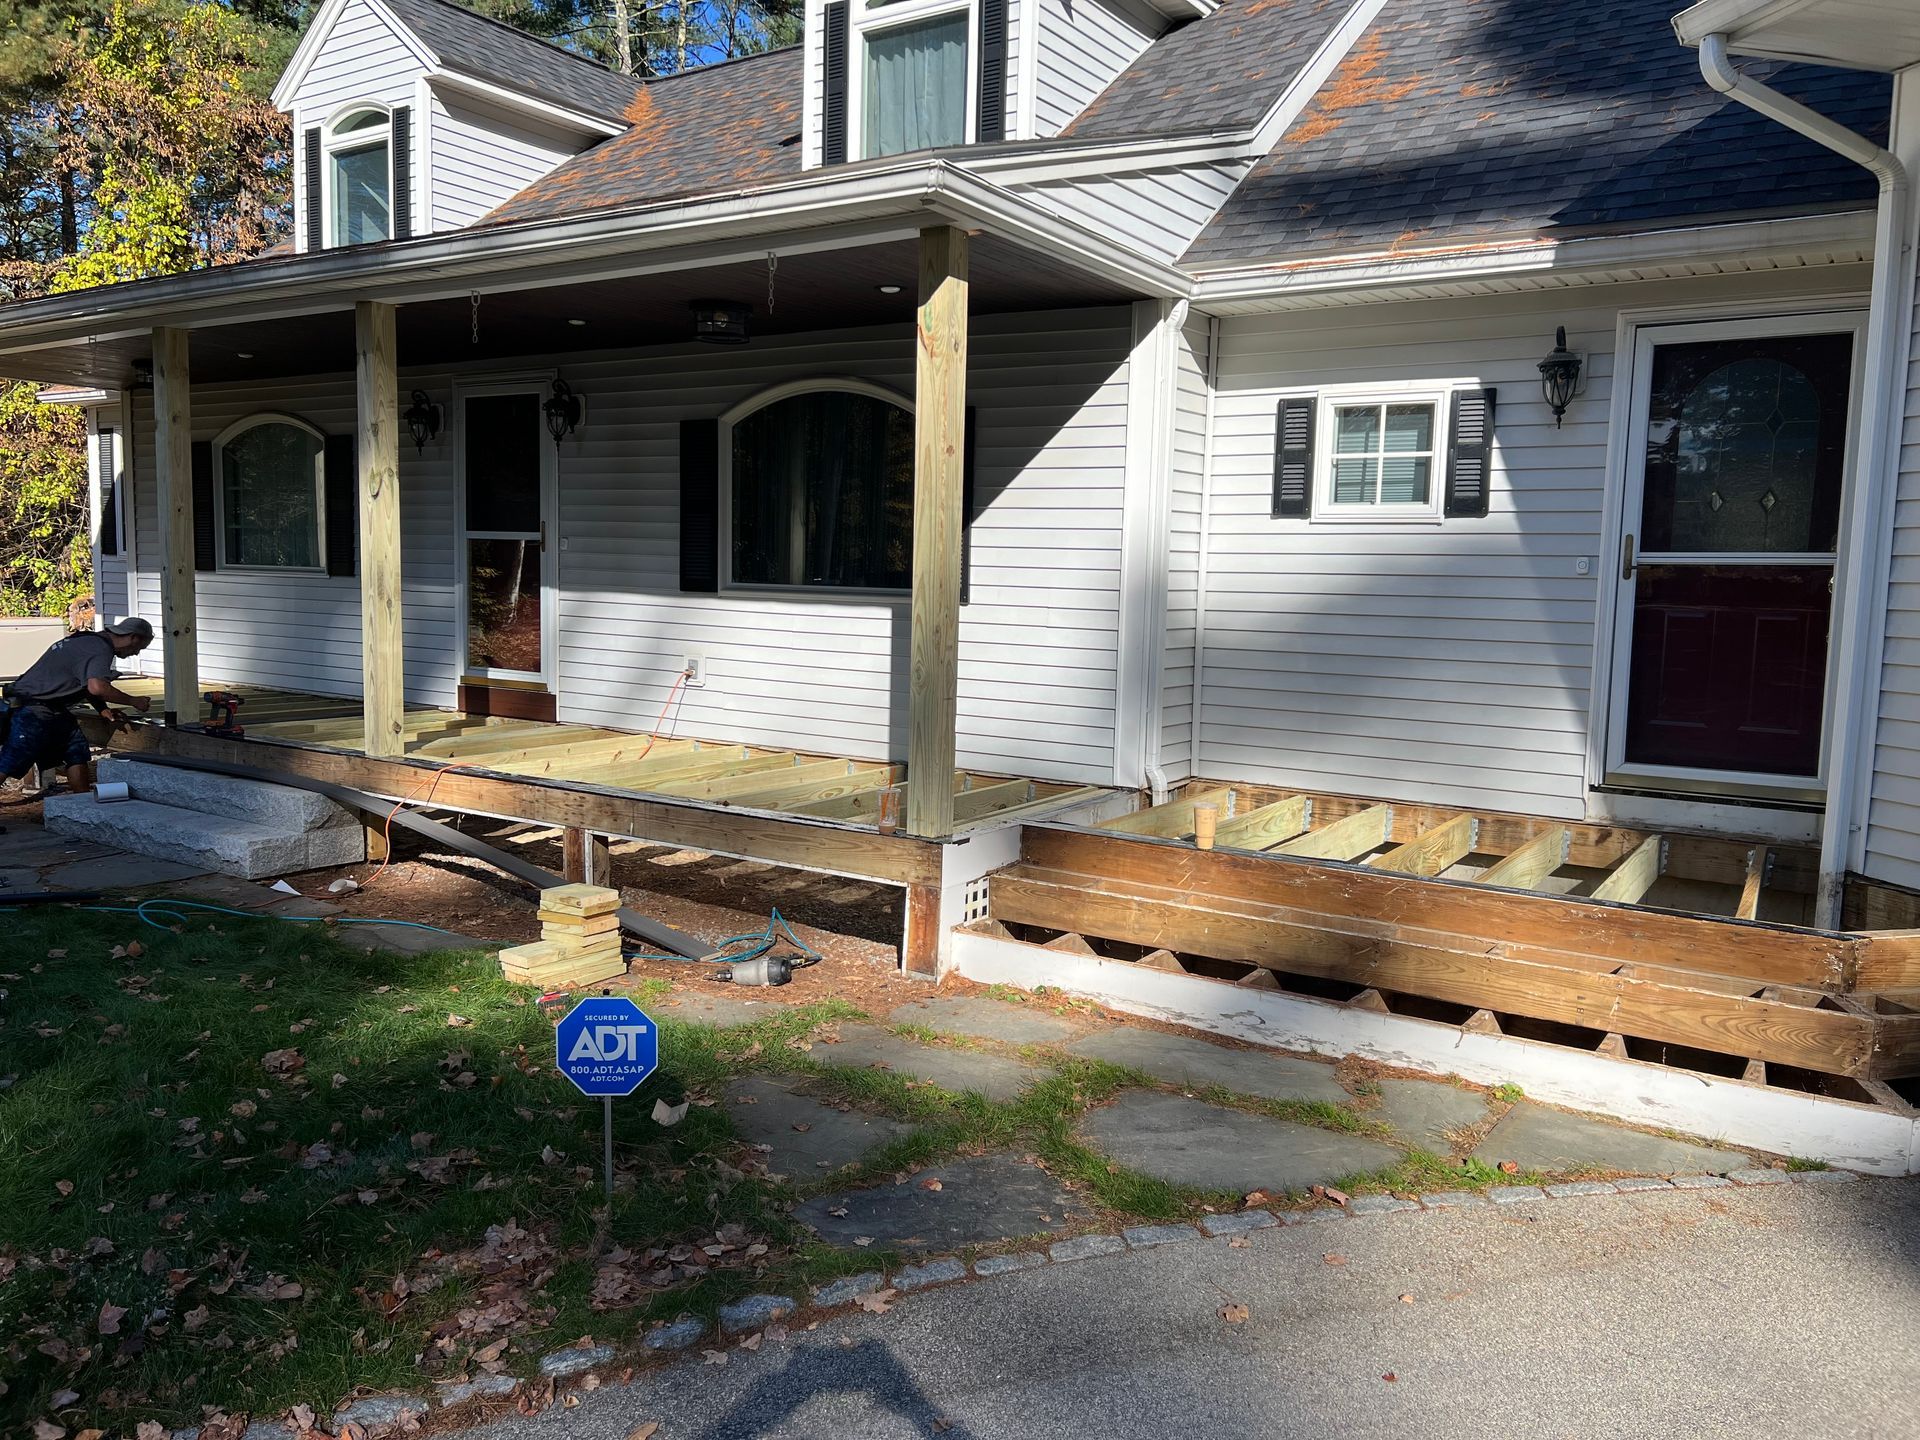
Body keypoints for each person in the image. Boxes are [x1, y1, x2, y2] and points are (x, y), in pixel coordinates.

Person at [1, 616, 154, 797]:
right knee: (13, 759)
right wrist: (133, 701)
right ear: (133, 637)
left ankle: (82, 800)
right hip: (32, 707)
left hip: (50, 706)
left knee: (75, 751)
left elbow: (84, 682)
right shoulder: (100, 649)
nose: (135, 653)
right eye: (139, 648)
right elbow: (97, 687)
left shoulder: (87, 640)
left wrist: (102, 709)